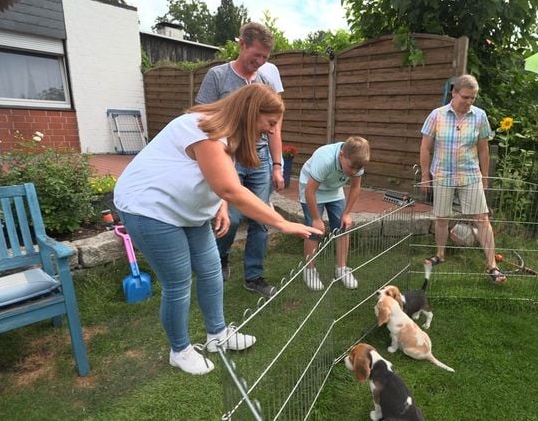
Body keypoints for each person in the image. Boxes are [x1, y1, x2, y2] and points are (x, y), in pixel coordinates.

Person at [113, 84, 321, 375]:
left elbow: (216, 178)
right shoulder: (203, 129)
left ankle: (217, 335)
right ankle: (180, 350)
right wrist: (281, 222)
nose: (273, 132)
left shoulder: (229, 135)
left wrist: (219, 205)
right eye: (270, 123)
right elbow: (229, 187)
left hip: (186, 211)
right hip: (150, 209)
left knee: (211, 270)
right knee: (178, 283)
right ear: (251, 113)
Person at [196, 22, 285, 298]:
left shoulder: (264, 83)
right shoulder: (218, 77)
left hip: (258, 159)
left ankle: (254, 276)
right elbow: (201, 117)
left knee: (261, 220)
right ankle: (219, 259)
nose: (258, 62)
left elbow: (274, 127)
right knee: (231, 219)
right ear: (242, 45)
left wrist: (278, 164)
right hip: (227, 157)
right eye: (255, 55)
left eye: (264, 58)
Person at [418, 74, 506, 284]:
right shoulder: (436, 115)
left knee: (482, 218)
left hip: (470, 174)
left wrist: (485, 177)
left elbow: (483, 150)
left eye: (472, 98)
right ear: (454, 93)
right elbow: (425, 147)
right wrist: (424, 175)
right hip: (442, 174)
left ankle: (492, 265)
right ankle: (440, 254)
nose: (468, 102)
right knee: (441, 217)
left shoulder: (479, 116)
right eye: (465, 97)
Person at [299, 136, 370, 291]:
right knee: (314, 230)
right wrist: (317, 219)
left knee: (344, 226)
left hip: (333, 189)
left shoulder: (357, 162)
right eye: (351, 168)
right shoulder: (325, 159)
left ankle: (341, 269)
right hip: (311, 188)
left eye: (357, 170)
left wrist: (346, 213)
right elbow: (310, 191)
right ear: (341, 155)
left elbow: (355, 188)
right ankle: (309, 270)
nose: (353, 172)